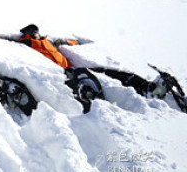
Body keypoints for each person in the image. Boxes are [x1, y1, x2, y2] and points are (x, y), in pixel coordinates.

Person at [15, 23, 182, 111]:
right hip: (63, 73)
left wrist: (77, 42)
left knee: (111, 73)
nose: (35, 33)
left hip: (72, 67)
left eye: (35, 31)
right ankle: (128, 99)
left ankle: (146, 87)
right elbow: (9, 41)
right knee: (101, 82)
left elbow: (67, 42)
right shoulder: (28, 43)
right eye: (32, 32)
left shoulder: (48, 41)